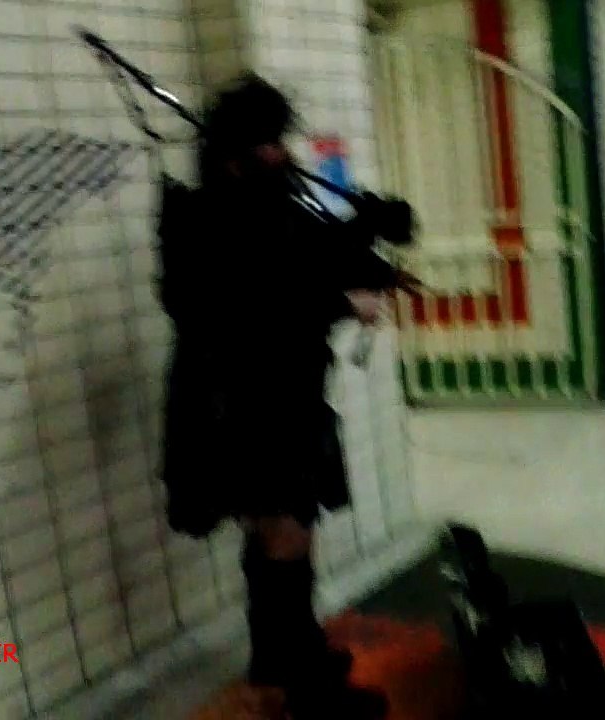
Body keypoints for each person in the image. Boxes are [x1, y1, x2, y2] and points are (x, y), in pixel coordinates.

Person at [157, 72, 407, 719]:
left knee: (286, 531)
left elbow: (316, 257)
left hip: (283, 400)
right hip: (238, 408)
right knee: (283, 533)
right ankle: (289, 681)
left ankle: (290, 661)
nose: (285, 153)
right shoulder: (201, 219)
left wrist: (373, 230)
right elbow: (243, 304)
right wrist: (340, 299)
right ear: (234, 154)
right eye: (269, 142)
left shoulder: (274, 207)